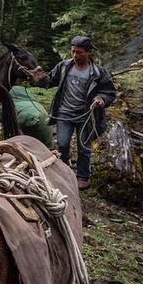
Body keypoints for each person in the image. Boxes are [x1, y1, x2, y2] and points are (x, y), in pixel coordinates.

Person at [31, 35, 116, 190]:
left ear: (88, 52)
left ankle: (83, 176)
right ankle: (64, 170)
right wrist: (38, 78)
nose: (75, 55)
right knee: (62, 144)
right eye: (73, 52)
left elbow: (109, 92)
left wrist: (100, 99)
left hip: (86, 115)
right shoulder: (64, 66)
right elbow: (49, 81)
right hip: (64, 113)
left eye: (79, 52)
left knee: (84, 147)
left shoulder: (98, 72)